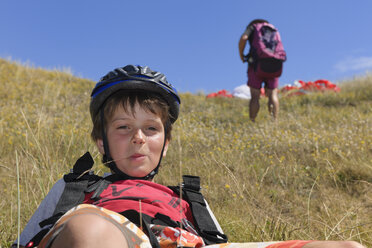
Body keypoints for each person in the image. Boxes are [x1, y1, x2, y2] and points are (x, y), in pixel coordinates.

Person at [13, 65, 365, 248]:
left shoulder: (187, 197)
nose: (138, 138)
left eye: (151, 129)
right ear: (101, 143)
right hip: (99, 236)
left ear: (165, 144)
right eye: (122, 128)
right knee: (88, 230)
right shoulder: (76, 188)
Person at [239, 19, 285, 122]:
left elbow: (244, 38)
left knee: (255, 96)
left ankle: (252, 121)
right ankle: (274, 122)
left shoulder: (253, 27)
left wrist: (241, 55)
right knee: (273, 94)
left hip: (257, 64)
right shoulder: (273, 29)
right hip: (275, 63)